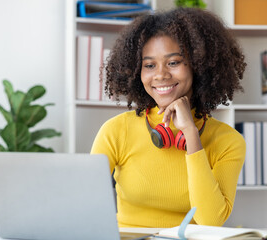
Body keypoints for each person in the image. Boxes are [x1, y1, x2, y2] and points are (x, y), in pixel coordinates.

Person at [91, 7, 247, 228]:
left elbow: (210, 220)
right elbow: (84, 203)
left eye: (173, 62)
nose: (161, 75)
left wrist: (191, 135)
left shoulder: (228, 141)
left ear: (199, 66)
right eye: (149, 65)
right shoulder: (116, 131)